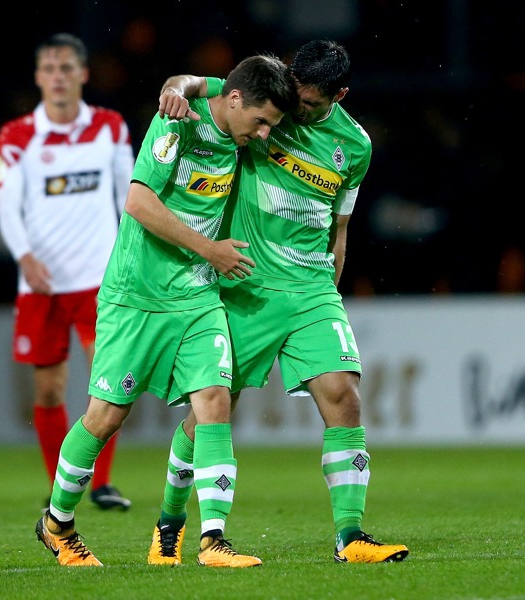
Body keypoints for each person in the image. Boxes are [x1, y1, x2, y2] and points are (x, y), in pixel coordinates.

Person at [34, 53, 298, 568]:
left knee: (216, 401)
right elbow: (137, 202)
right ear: (236, 101)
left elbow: (202, 80)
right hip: (137, 295)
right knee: (106, 417)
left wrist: (179, 79)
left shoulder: (221, 93)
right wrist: (210, 249)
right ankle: (57, 522)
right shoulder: (178, 121)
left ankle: (212, 539)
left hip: (196, 297)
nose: (264, 134)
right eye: (261, 121)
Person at [157, 39, 410, 564]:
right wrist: (172, 89)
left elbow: (340, 225)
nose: (297, 109)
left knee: (344, 396)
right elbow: (196, 86)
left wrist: (331, 288)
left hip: (311, 288)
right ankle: (170, 521)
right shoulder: (272, 102)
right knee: (209, 415)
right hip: (247, 284)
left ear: (339, 95)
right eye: (296, 95)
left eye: (313, 104)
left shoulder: (354, 147)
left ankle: (350, 535)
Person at [0, 33, 132, 511]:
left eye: (66, 68)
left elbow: (129, 197)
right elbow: (7, 205)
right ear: (38, 77)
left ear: (83, 74)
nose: (57, 77)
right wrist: (24, 256)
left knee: (108, 381)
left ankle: (101, 484)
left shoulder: (110, 127)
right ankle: (61, 485)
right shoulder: (16, 136)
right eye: (49, 68)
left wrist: (129, 260)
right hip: (42, 282)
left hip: (99, 279)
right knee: (49, 389)